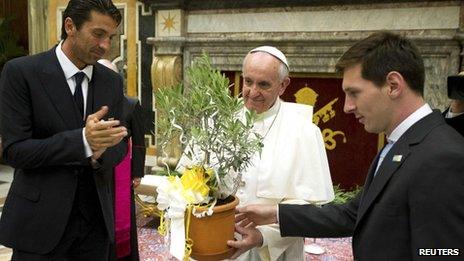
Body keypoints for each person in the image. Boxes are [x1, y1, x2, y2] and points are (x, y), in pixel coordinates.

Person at [236, 32, 464, 260]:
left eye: (354, 93)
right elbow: (352, 215)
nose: (347, 107)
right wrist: (276, 214)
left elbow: (444, 253)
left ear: (393, 85)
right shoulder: (401, 144)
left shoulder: (442, 157)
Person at [0, 0, 128, 260]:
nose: (105, 46)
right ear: (70, 26)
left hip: (95, 229)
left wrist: (100, 152)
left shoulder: (112, 81)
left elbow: (120, 146)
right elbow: (14, 151)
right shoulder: (21, 72)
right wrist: (82, 141)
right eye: (98, 34)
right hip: (39, 226)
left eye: (111, 37)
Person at [221, 46, 334, 260]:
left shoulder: (304, 132)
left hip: (273, 251)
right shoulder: (218, 122)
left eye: (263, 84)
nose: (253, 92)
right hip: (219, 245)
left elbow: (308, 209)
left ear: (283, 85)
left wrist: (263, 236)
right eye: (248, 81)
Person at [97, 59, 146, 260]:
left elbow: (139, 143)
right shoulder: (90, 104)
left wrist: (137, 173)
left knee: (120, 216)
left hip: (121, 171)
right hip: (97, 169)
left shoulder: (131, 104)